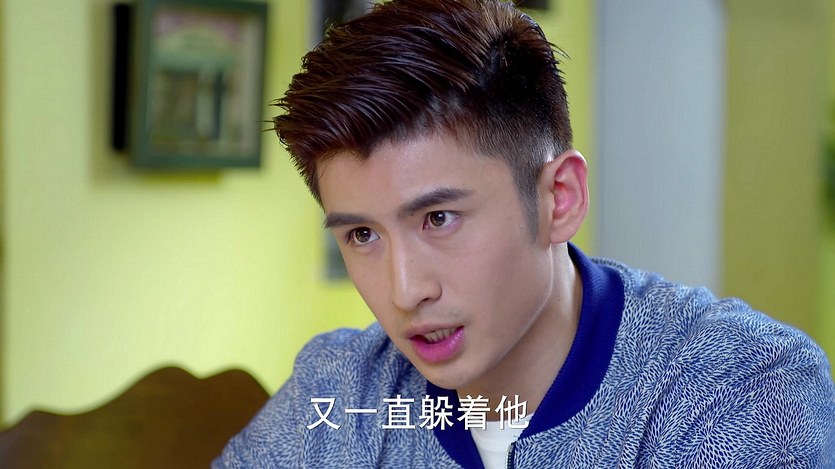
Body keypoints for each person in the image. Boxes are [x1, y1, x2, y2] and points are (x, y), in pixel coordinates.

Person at [214, 0, 835, 467]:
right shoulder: (337, 392)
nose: (404, 292)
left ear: (559, 199)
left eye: (439, 219)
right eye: (361, 236)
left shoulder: (742, 385)